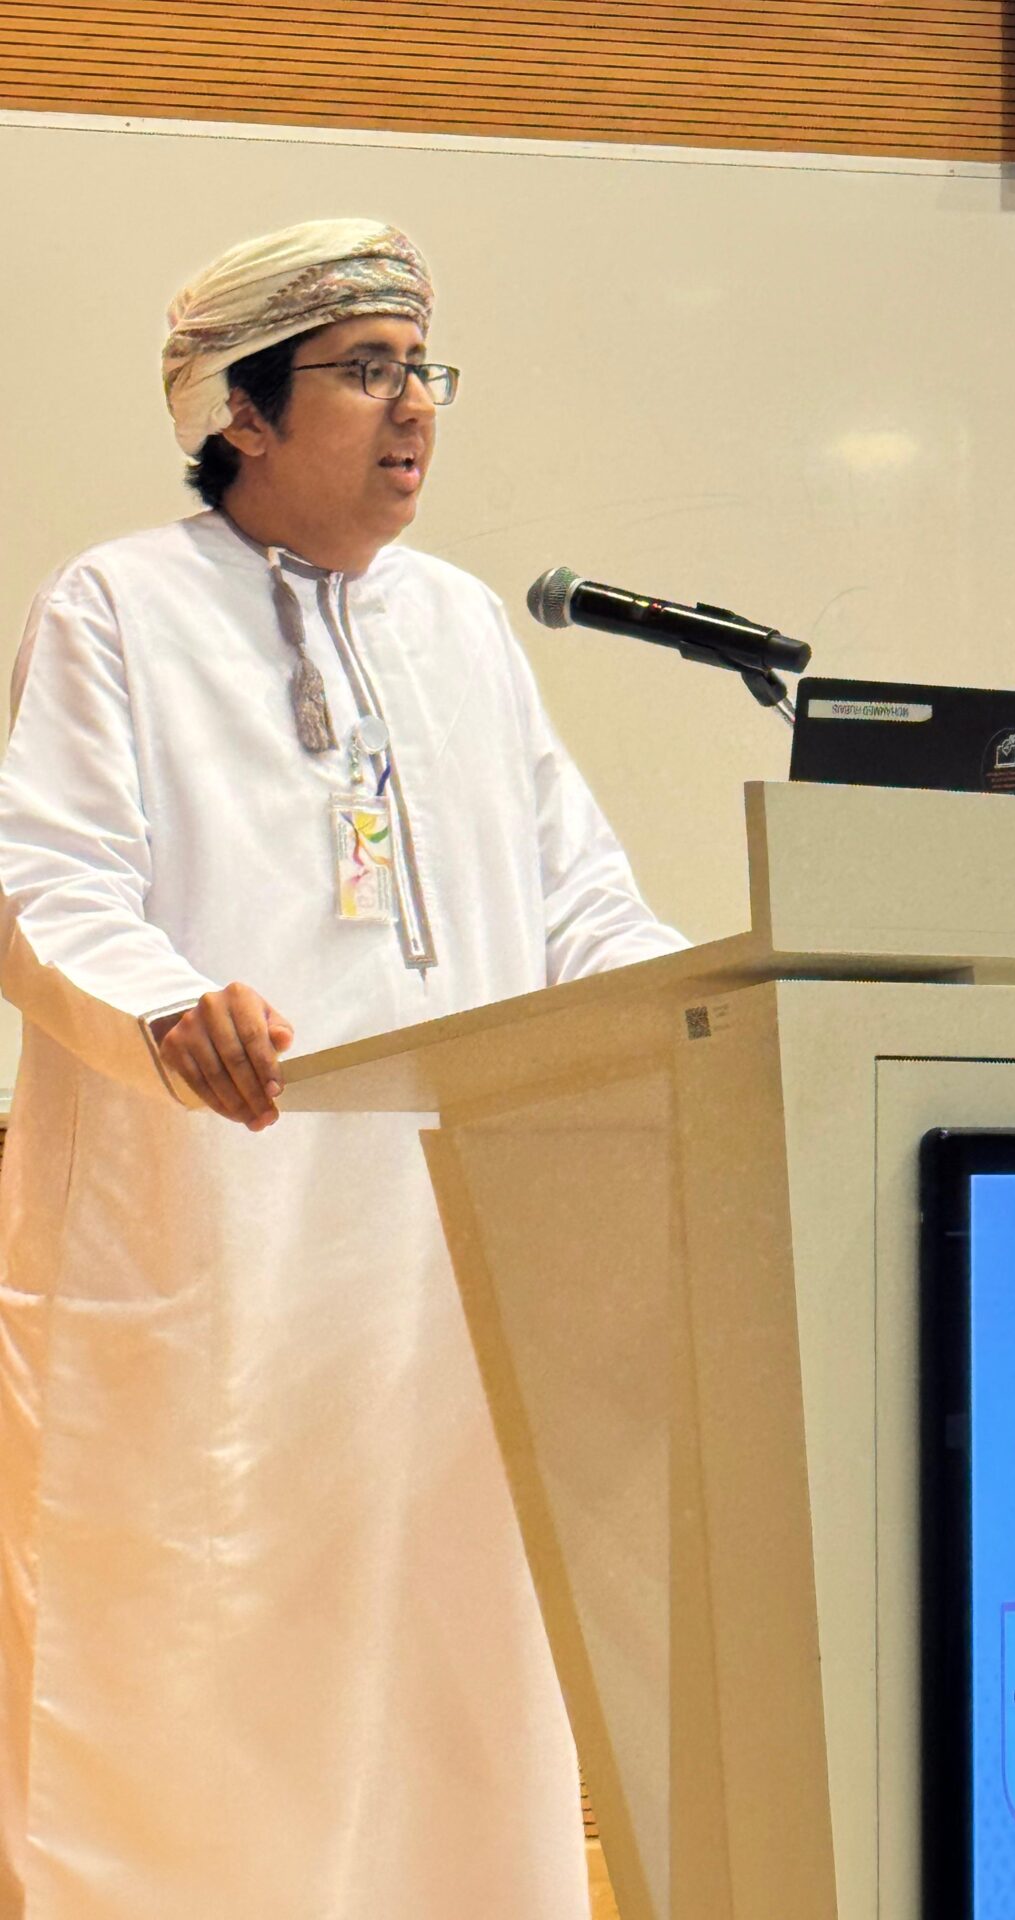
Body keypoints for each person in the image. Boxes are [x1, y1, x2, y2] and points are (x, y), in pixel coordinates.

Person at [0, 218, 685, 1920]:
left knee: (451, 1672)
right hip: (220, 1248)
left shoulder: (460, 627)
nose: (415, 408)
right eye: (367, 370)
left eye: (422, 368)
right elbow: (45, 881)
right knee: (200, 1679)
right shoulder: (119, 608)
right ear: (240, 408)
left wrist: (720, 1013)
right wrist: (170, 1007)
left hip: (444, 1273)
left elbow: (582, 902)